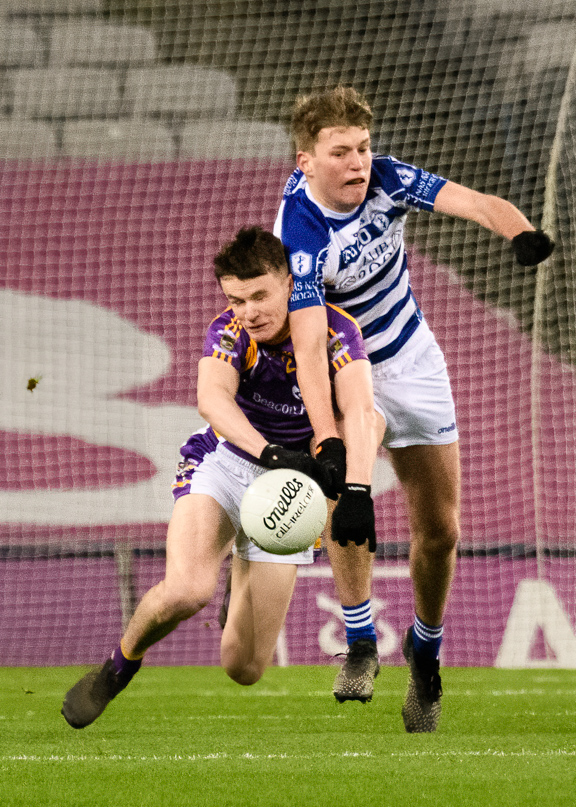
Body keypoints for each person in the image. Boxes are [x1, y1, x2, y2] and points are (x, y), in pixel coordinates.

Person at [273, 86, 555, 733]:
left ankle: (425, 656)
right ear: (305, 162)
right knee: (350, 498)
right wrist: (326, 439)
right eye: (339, 151)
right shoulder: (301, 230)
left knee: (442, 531)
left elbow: (477, 203)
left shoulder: (390, 180)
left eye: (363, 147)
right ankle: (362, 641)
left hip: (415, 362)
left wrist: (520, 233)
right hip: (350, 371)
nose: (357, 162)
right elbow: (312, 347)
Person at [61, 226, 380, 729]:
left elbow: (362, 407)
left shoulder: (336, 330)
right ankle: (117, 668)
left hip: (290, 488)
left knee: (245, 668)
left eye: (259, 296)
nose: (249, 311)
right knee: (188, 591)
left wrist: (356, 485)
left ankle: (243, 566)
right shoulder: (230, 332)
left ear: (290, 286)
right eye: (236, 299)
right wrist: (270, 452)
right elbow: (212, 399)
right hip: (227, 463)